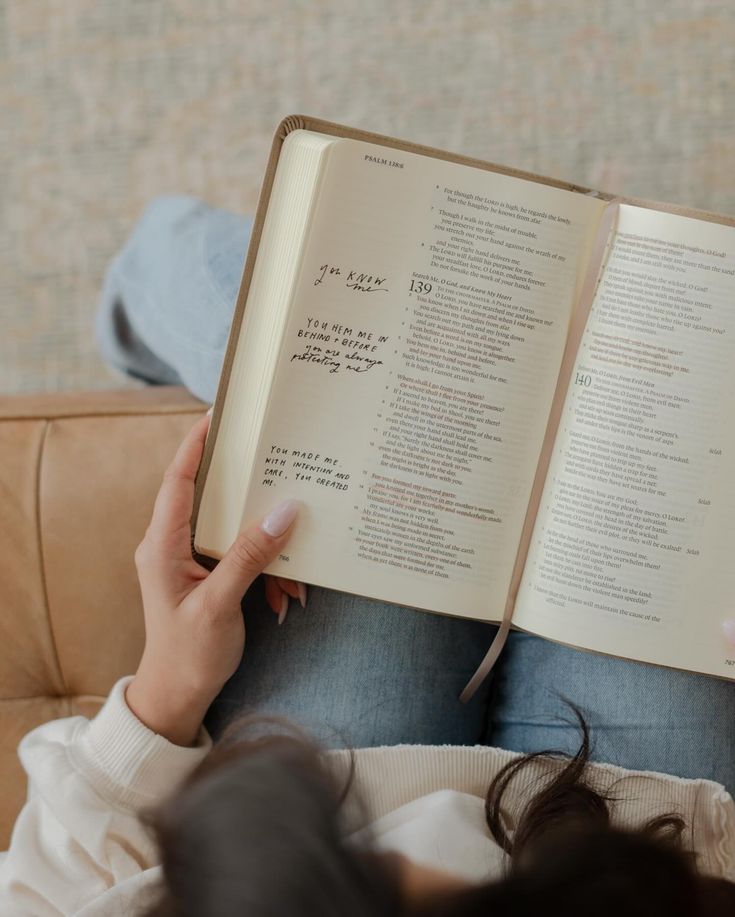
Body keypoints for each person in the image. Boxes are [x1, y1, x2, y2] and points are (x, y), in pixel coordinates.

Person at [2, 196, 735, 914]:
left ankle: (142, 290)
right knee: (660, 395)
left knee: (341, 367)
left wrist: (169, 687)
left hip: (321, 810)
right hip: (652, 844)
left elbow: (46, 887)